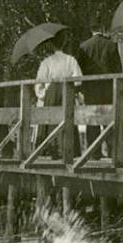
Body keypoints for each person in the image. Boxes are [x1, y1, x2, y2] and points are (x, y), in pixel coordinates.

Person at [35, 29, 84, 159]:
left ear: (52, 45)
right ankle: (68, 149)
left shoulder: (47, 62)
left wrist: (43, 95)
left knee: (51, 119)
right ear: (64, 44)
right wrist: (72, 86)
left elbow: (39, 83)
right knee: (67, 117)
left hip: (51, 92)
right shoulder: (71, 60)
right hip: (66, 90)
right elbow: (79, 79)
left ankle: (51, 149)